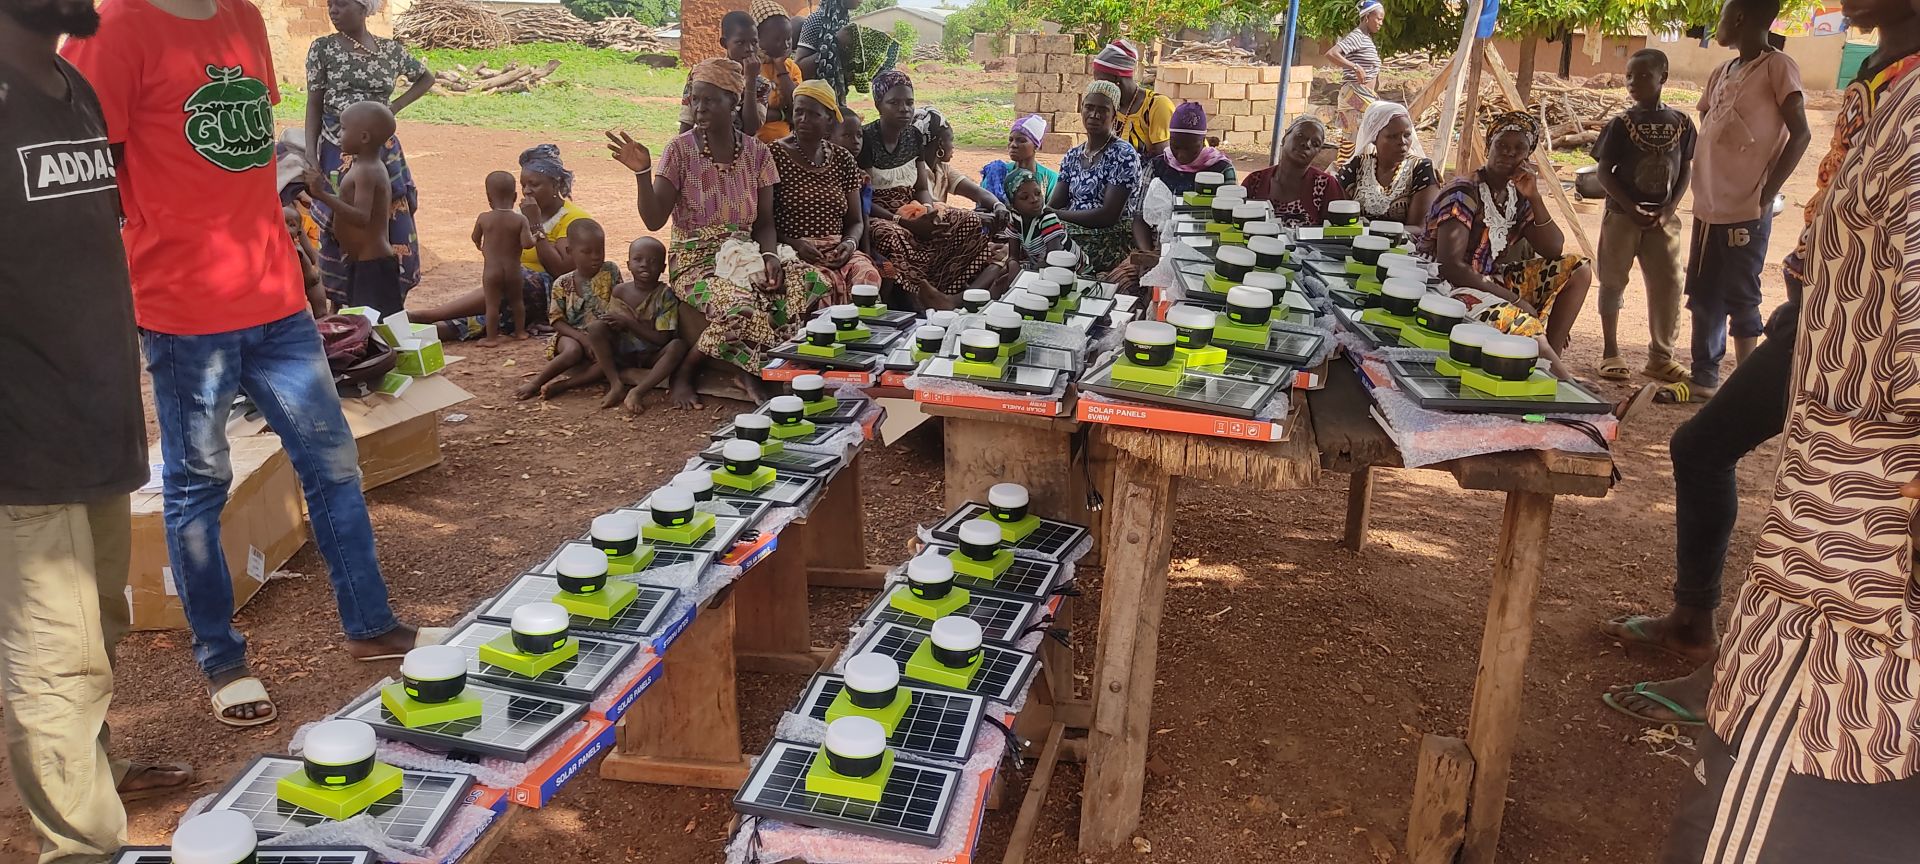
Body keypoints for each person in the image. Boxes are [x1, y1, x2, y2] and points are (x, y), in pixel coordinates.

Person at [64, 0, 434, 728]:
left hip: (276, 302)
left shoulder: (240, 17)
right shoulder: (114, 28)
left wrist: (296, 257)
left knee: (332, 464)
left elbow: (253, 157)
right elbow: (86, 177)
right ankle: (221, 659)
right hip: (184, 313)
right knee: (200, 485)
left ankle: (370, 626)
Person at [1599, 0, 1920, 730]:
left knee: (1823, 524)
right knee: (1705, 448)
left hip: (1875, 367)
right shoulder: (1882, 76)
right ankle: (1696, 624)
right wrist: (1806, 282)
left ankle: (1747, 687)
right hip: (1824, 326)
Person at [3, 0, 198, 854]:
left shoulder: (71, 84)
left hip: (98, 422)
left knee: (100, 627)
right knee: (56, 662)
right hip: (22, 447)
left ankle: (92, 769)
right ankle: (80, 848)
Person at [606, 58, 830, 404]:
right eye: (695, 99)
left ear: (733, 101)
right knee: (741, 306)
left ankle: (762, 368)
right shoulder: (680, 151)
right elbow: (653, 219)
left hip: (745, 254)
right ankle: (688, 370)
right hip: (696, 261)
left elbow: (764, 222)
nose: (699, 108)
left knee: (809, 280)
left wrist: (769, 257)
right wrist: (642, 173)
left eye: (709, 100)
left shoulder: (757, 153)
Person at [1659, 0, 1810, 403]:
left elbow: (1801, 133)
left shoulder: (1778, 67)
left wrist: (1767, 193)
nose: (1717, 25)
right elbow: (1709, 121)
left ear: (1740, 18)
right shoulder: (1722, 71)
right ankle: (1704, 378)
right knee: (1704, 295)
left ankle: (1745, 388)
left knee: (1742, 296)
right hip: (1709, 207)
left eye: (1722, 16)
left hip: (1746, 207)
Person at [1426, 111, 1592, 353]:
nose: (1509, 153)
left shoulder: (1516, 195)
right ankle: (1553, 370)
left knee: (1579, 269)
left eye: (1519, 148)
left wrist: (1534, 197)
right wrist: (1515, 301)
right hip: (1449, 287)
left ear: (1527, 156)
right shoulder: (1464, 192)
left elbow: (1553, 248)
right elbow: (1450, 266)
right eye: (1501, 145)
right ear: (1488, 148)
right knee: (1524, 325)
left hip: (1490, 280)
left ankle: (1551, 357)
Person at [302, 0, 431, 311]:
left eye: (342, 4)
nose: (333, 10)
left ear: (364, 8)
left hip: (382, 149)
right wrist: (311, 153)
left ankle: (389, 294)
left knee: (392, 215)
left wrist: (393, 109)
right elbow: (314, 103)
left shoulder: (390, 50)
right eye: (330, 5)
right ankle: (343, 301)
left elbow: (426, 78)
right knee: (339, 222)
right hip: (338, 146)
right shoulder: (323, 48)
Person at [1591, 49, 1696, 384]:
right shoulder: (1621, 124)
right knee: (1612, 281)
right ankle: (1610, 351)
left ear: (1663, 78)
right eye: (1629, 76)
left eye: (1643, 76)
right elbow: (1604, 172)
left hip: (1662, 219)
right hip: (1622, 216)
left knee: (1669, 283)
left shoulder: (1681, 123)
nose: (1633, 82)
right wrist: (1628, 206)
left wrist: (1670, 208)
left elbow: (1685, 167)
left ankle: (1661, 357)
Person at [417, 144, 593, 341]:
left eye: (534, 185)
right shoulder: (518, 215)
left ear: (555, 184)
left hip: (550, 294)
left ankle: (432, 316)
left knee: (516, 277)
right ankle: (440, 327)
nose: (527, 191)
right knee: (501, 285)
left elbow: (560, 271)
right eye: (523, 185)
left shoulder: (573, 219)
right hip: (513, 291)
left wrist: (535, 224)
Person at [771, 79, 879, 305]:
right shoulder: (774, 155)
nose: (803, 119)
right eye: (799, 112)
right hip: (793, 250)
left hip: (837, 249)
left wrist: (849, 244)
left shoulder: (843, 159)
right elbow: (762, 221)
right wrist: (795, 243)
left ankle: (857, 328)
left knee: (867, 276)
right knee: (816, 284)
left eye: (813, 114)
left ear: (829, 120)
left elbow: (856, 221)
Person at [514, 220, 636, 409]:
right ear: (569, 251)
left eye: (600, 250)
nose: (595, 257)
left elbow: (618, 304)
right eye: (587, 252)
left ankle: (565, 385)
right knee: (572, 351)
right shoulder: (562, 283)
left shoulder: (610, 271)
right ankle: (536, 382)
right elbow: (556, 321)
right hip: (571, 334)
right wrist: (583, 339)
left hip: (602, 335)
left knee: (610, 359)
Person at [301, 101, 400, 316]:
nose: (339, 135)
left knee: (378, 326)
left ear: (364, 137)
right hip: (362, 263)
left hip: (373, 266)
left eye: (344, 129)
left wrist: (322, 195)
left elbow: (362, 217)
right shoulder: (361, 166)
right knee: (366, 323)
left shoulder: (367, 170)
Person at [1050, 80, 1140, 273]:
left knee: (1051, 249)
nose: (1094, 114)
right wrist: (1044, 215)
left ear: (1114, 115)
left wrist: (1056, 216)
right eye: (1089, 107)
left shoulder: (1123, 155)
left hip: (1108, 238)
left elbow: (1108, 215)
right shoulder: (1073, 155)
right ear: (1081, 109)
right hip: (1072, 232)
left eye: (1103, 110)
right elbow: (1056, 203)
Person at [1133, 101, 1236, 251]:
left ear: (1203, 141)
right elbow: (1139, 217)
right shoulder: (1157, 167)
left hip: (1206, 249)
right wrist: (1149, 254)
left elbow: (1230, 221)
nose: (1181, 155)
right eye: (1175, 146)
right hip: (1158, 248)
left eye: (1191, 148)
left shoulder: (1221, 170)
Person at [606, 236, 690, 415]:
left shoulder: (665, 295)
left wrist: (629, 323)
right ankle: (614, 383)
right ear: (628, 265)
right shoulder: (620, 291)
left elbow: (662, 339)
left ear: (663, 268)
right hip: (623, 353)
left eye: (653, 261)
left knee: (678, 346)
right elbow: (611, 325)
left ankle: (638, 391)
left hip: (653, 355)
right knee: (596, 329)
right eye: (638, 259)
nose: (645, 265)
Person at [1333, 100, 1437, 225]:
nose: (1402, 142)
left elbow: (1419, 228)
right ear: (1374, 138)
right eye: (1392, 136)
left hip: (1402, 239)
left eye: (1407, 135)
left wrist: (1371, 231)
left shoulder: (1421, 170)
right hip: (1357, 237)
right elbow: (1339, 216)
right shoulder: (1357, 167)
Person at [470, 170, 536, 346]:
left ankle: (491, 337)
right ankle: (520, 332)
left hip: (491, 271)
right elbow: (527, 244)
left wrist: (480, 246)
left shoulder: (484, 218)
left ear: (488, 197)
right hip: (513, 270)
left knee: (492, 305)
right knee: (517, 301)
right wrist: (536, 237)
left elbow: (475, 237)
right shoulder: (520, 220)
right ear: (514, 196)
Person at [1245, 116, 1346, 227]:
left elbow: (1339, 231)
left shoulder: (1325, 186)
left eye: (1315, 144)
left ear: (1318, 152)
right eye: (1300, 135)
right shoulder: (1255, 182)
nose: (1307, 144)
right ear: (1284, 138)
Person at [680, 11, 766, 137]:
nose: (749, 49)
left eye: (754, 42)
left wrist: (750, 81)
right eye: (740, 42)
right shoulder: (703, 74)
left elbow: (750, 129)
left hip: (741, 147)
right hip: (704, 145)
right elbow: (686, 122)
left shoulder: (761, 84)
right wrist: (680, 147)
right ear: (724, 43)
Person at [795, 0, 897, 102]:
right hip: (813, 102)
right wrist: (835, 42)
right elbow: (799, 68)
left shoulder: (844, 23)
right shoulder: (816, 20)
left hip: (836, 101)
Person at [916, 107, 1010, 216]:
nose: (953, 146)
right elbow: (933, 208)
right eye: (951, 140)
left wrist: (998, 205)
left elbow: (977, 192)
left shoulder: (942, 169)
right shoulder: (916, 171)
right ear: (940, 143)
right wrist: (972, 215)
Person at [1090, 39, 1174, 158]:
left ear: (1116, 79)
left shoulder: (1157, 105)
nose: (1098, 86)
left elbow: (1163, 158)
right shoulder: (1110, 106)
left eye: (1100, 80)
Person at [859, 69, 925, 220]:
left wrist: (928, 210)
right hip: (879, 217)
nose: (904, 109)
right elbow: (864, 197)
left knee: (970, 221)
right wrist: (899, 221)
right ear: (878, 106)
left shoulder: (914, 135)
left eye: (909, 103)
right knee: (890, 234)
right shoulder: (865, 139)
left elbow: (922, 189)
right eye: (894, 103)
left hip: (913, 211)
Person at [1326, 0, 1386, 164]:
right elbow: (1332, 54)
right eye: (1378, 18)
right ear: (1367, 17)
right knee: (1385, 118)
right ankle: (1341, 175)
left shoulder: (1366, 38)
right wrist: (1355, 67)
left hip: (1360, 95)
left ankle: (1345, 175)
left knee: (1352, 144)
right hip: (1354, 94)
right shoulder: (1357, 36)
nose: (1381, 23)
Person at [1004, 168, 1080, 272]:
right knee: (1002, 276)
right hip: (1042, 266)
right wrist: (1012, 263)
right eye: (1025, 197)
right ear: (1013, 205)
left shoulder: (1047, 218)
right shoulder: (1015, 218)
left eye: (1038, 193)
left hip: (1071, 271)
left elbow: (1054, 260)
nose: (1034, 199)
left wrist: (1022, 273)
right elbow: (1013, 256)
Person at [980, 114, 1058, 206]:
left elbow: (1052, 210)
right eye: (1011, 140)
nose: (1013, 145)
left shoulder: (1050, 179)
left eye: (1021, 140)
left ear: (1036, 146)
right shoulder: (997, 173)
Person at [751, 0, 800, 143]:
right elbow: (748, 116)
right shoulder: (750, 66)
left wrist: (781, 67)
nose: (785, 45)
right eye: (777, 39)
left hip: (787, 144)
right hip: (756, 144)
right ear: (758, 39)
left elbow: (796, 106)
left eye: (788, 38)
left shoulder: (791, 68)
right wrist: (783, 115)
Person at [288, 204, 328, 318]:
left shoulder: (298, 251)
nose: (285, 228)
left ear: (299, 232)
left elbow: (313, 280)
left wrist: (321, 315)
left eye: (291, 225)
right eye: (281, 223)